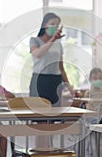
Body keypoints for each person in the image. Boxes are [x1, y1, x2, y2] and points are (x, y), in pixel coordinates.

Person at [29, 12, 73, 148]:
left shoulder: (58, 44)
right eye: (52, 23)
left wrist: (68, 84)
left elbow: (61, 66)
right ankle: (39, 151)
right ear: (44, 25)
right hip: (40, 81)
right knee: (40, 121)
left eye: (57, 24)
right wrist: (52, 39)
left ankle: (50, 151)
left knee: (52, 121)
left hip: (55, 81)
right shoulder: (34, 40)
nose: (55, 26)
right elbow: (38, 54)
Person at [84, 68, 102, 157]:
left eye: (99, 78)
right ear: (90, 80)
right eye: (95, 78)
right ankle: (91, 149)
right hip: (92, 115)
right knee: (91, 122)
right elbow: (87, 106)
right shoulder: (89, 93)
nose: (97, 80)